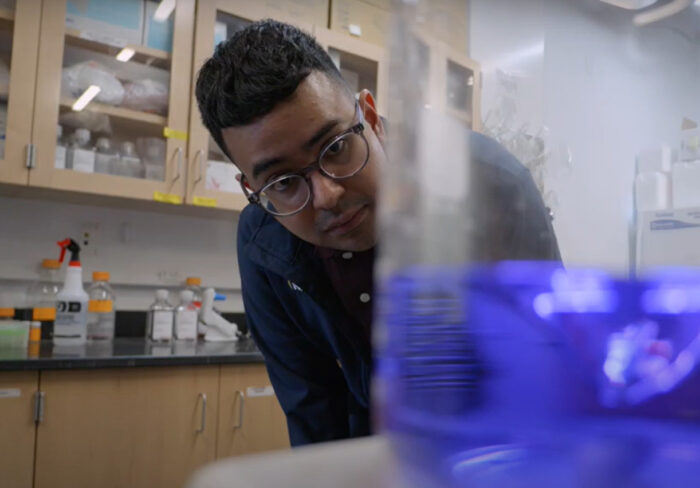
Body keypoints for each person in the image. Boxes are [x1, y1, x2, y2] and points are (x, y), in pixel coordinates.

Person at [195, 19, 560, 447]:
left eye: (335, 147)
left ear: (371, 117)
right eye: (283, 182)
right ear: (251, 189)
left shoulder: (490, 187)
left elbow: (544, 378)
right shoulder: (262, 240)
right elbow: (311, 408)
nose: (327, 195)